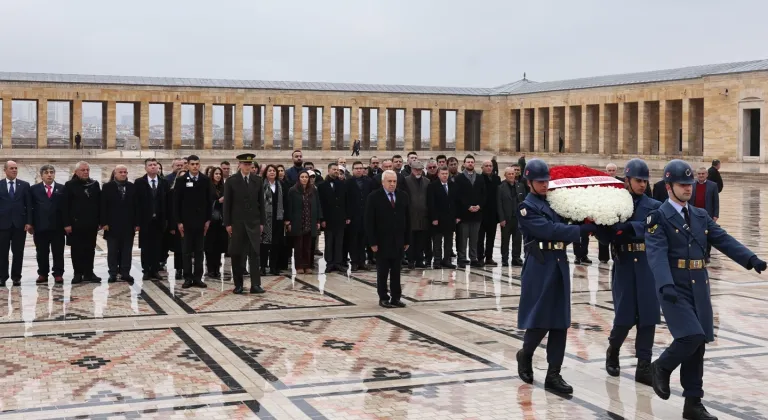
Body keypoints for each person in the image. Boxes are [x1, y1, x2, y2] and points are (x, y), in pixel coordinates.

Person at [646, 159, 766, 420]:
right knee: (691, 336)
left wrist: (750, 259)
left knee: (698, 345)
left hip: (698, 285)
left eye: (689, 184)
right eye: (682, 185)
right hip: (674, 287)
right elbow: (656, 254)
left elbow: (723, 240)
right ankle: (662, 366)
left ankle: (693, 403)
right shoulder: (658, 218)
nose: (688, 189)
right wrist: (665, 284)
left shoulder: (699, 215)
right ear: (669, 186)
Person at [516, 158, 601, 394]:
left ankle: (554, 373)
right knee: (540, 318)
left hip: (559, 263)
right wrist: (579, 231)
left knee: (560, 321)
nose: (545, 185)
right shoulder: (526, 207)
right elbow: (548, 230)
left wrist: (588, 217)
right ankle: (526, 353)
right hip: (539, 265)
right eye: (540, 182)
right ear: (529, 182)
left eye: (546, 181)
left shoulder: (556, 203)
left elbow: (565, 220)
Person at [603, 158, 661, 386]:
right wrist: (607, 230)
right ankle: (613, 349)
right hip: (625, 263)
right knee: (624, 316)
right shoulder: (616, 203)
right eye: (638, 180)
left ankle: (644, 365)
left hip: (646, 264)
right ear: (627, 180)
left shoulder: (653, 205)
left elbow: (653, 228)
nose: (642, 185)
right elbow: (604, 232)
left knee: (648, 317)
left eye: (645, 181)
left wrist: (631, 228)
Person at [365, 170, 410, 308]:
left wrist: (407, 240)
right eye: (389, 181)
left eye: (394, 181)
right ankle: (383, 297)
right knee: (383, 272)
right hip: (381, 241)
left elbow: (407, 219)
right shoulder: (374, 197)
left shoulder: (402, 196)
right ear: (383, 182)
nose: (392, 184)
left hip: (398, 241)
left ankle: (396, 297)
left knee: (396, 271)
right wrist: (372, 242)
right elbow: (369, 221)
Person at [224, 153, 266, 294]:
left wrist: (262, 222)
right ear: (240, 165)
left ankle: (256, 284)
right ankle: (238, 284)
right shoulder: (231, 181)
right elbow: (227, 204)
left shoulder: (257, 180)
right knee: (236, 254)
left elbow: (262, 203)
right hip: (237, 223)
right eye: (245, 164)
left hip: (253, 222)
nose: (248, 166)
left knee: (255, 253)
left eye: (250, 164)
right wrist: (227, 223)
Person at [174, 155, 212, 289]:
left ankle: (198, 278)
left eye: (197, 164)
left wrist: (208, 220)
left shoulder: (205, 180)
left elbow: (209, 202)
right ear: (187, 165)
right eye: (192, 164)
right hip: (186, 222)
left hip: (201, 222)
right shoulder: (181, 180)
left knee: (199, 251)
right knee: (186, 251)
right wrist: (179, 222)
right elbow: (176, 203)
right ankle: (187, 277)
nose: (195, 166)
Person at [63, 161, 102, 284]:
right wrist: (67, 223)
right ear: (76, 172)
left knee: (90, 248)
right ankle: (78, 273)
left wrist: (100, 221)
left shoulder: (94, 184)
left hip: (91, 223)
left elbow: (99, 204)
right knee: (77, 249)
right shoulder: (69, 185)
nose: (85, 172)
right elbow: (65, 206)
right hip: (75, 224)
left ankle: (89, 272)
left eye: (87, 170)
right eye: (83, 170)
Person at [100, 165, 139, 284]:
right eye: (120, 172)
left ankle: (125, 272)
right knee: (112, 250)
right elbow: (103, 206)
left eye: (125, 172)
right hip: (112, 225)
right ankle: (112, 273)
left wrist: (137, 223)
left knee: (127, 250)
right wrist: (104, 222)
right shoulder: (107, 187)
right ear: (115, 173)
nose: (123, 174)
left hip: (128, 225)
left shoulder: (132, 187)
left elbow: (137, 207)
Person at [29, 164, 66, 284]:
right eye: (46, 172)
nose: (49, 174)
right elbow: (30, 208)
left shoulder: (62, 188)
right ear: (41, 175)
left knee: (58, 252)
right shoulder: (34, 189)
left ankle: (58, 273)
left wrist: (67, 224)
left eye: (51, 172)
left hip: (58, 227)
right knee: (41, 252)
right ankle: (43, 273)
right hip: (40, 227)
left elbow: (66, 208)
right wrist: (30, 223)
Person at [135, 158, 168, 281]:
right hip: (145, 220)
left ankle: (155, 269)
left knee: (157, 246)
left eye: (155, 165)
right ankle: (146, 270)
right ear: (146, 168)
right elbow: (136, 203)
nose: (153, 167)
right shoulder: (139, 182)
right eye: (150, 165)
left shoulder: (164, 182)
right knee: (145, 246)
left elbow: (168, 202)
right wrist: (137, 222)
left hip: (159, 220)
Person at [0, 160, 31, 287]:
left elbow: (29, 206)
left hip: (20, 224)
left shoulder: (24, 185)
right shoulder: (0, 185)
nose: (14, 170)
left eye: (16, 168)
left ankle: (16, 277)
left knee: (18, 252)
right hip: (2, 224)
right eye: (11, 168)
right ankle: (2, 277)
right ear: (5, 170)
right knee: (2, 252)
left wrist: (29, 222)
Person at [286, 170, 322, 274]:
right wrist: (288, 222)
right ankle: (299, 266)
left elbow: (317, 205)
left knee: (308, 246)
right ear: (299, 178)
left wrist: (318, 220)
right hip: (297, 221)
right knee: (298, 246)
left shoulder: (313, 190)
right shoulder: (293, 190)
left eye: (306, 177)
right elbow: (289, 207)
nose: (304, 179)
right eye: (302, 177)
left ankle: (307, 265)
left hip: (310, 221)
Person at [453, 155, 486, 268]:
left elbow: (483, 194)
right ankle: (462, 258)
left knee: (474, 238)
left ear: (474, 163)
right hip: (464, 214)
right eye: (468, 162)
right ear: (464, 164)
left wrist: (479, 206)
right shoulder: (459, 178)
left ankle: (473, 257)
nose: (470, 164)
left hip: (477, 213)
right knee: (462, 238)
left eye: (472, 162)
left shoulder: (480, 178)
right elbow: (457, 196)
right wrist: (467, 206)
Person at [318, 163, 349, 273]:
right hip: (328, 219)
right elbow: (320, 204)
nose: (336, 171)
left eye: (337, 170)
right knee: (329, 241)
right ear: (329, 170)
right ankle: (329, 263)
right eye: (334, 169)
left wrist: (347, 216)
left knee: (339, 241)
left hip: (340, 218)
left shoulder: (343, 184)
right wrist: (322, 219)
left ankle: (338, 262)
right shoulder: (321, 185)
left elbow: (346, 201)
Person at [427, 166, 458, 269]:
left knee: (449, 241)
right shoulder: (432, 186)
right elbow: (431, 203)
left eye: (446, 174)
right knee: (437, 241)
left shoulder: (453, 185)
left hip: (450, 219)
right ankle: (437, 260)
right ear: (438, 174)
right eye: (443, 174)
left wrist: (457, 216)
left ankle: (447, 260)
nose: (445, 175)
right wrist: (434, 218)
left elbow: (456, 202)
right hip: (438, 219)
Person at [345, 161, 372, 271]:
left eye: (361, 168)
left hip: (365, 215)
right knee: (353, 240)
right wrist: (347, 216)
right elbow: (345, 200)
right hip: (353, 216)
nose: (359, 170)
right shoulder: (348, 182)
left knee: (363, 240)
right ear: (353, 170)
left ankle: (362, 261)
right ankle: (354, 261)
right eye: (356, 168)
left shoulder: (369, 181)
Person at [497, 165, 526, 267]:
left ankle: (516, 258)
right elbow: (499, 204)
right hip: (506, 218)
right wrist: (501, 219)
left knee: (517, 239)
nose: (511, 175)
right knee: (505, 240)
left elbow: (523, 202)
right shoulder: (500, 187)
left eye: (513, 173)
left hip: (517, 217)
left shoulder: (520, 186)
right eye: (509, 174)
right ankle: (504, 258)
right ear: (505, 175)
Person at [403, 160, 430, 269]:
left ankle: (419, 260)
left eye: (420, 170)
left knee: (421, 240)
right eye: (416, 170)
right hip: (411, 215)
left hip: (423, 215)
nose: (418, 172)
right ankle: (411, 260)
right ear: (412, 170)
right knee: (411, 240)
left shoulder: (427, 181)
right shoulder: (406, 181)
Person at [260, 164, 285, 276]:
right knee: (264, 244)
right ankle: (263, 267)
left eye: (274, 171)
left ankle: (274, 267)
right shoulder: (261, 185)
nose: (272, 173)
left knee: (276, 244)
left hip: (278, 218)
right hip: (265, 218)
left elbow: (286, 202)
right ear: (266, 173)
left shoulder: (281, 185)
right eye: (270, 171)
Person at [691, 167, 720, 263]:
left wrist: (715, 215)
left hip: (707, 215)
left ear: (706, 174)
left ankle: (707, 254)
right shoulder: (692, 185)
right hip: (694, 214)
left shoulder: (713, 186)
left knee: (707, 235)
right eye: (699, 174)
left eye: (703, 174)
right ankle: (697, 253)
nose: (701, 175)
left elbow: (716, 202)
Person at [204, 167, 227, 279]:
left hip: (221, 221)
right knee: (209, 246)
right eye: (216, 173)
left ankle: (217, 269)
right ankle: (210, 269)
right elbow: (206, 202)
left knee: (218, 246)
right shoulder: (208, 186)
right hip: (210, 220)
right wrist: (218, 201)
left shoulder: (224, 187)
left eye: (219, 174)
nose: (218, 175)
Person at [477, 160, 501, 265]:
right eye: (486, 166)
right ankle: (480, 257)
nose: (489, 168)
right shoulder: (478, 178)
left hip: (493, 213)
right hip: (481, 213)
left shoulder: (497, 179)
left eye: (490, 166)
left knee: (491, 237)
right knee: (480, 238)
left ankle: (489, 257)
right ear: (482, 168)